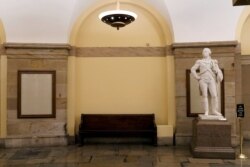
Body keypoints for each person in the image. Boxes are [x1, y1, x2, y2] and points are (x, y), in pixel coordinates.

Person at [191, 48, 223, 116]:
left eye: (205, 51)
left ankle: (214, 110)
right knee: (204, 95)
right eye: (203, 51)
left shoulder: (213, 62)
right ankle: (206, 111)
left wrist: (216, 69)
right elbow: (193, 69)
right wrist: (196, 77)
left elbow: (217, 70)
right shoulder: (199, 61)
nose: (204, 52)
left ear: (209, 53)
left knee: (214, 95)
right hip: (203, 80)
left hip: (211, 79)